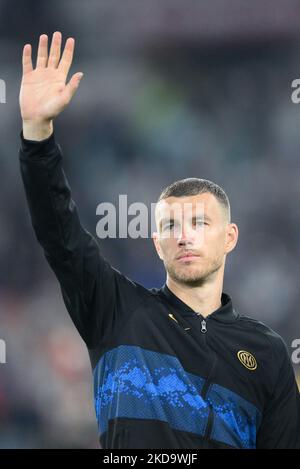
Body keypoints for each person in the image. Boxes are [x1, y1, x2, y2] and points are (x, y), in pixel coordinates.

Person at [19, 32, 300, 449]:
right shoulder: (115, 310)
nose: (184, 236)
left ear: (229, 238)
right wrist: (37, 134)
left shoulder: (268, 353)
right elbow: (59, 233)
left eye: (200, 223)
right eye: (171, 226)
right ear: (155, 243)